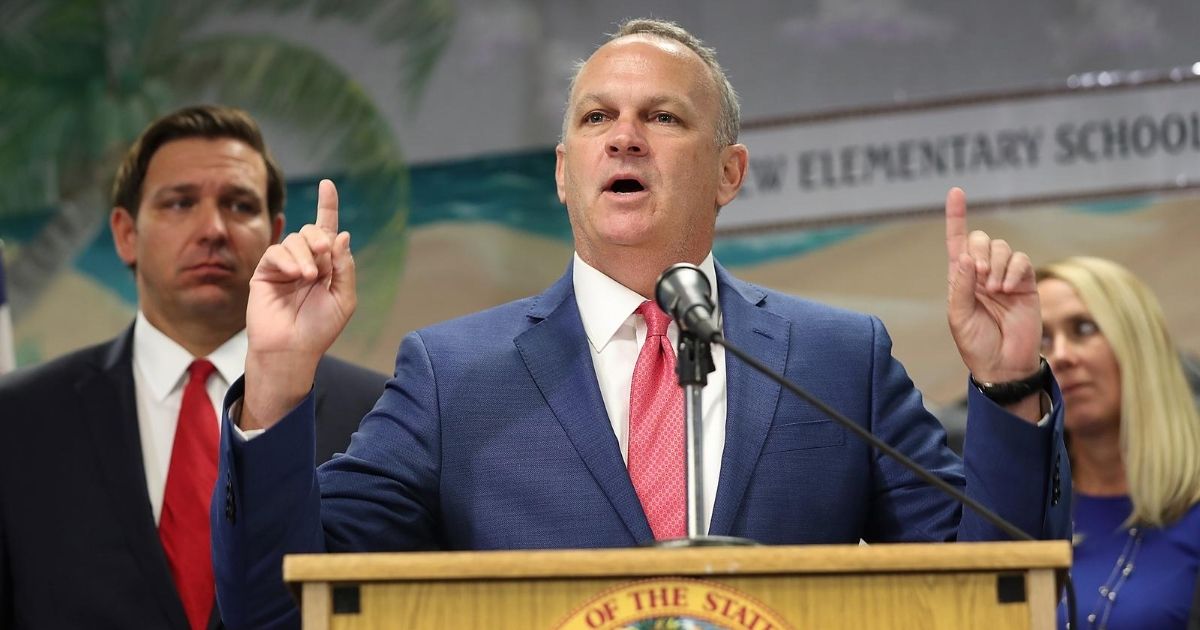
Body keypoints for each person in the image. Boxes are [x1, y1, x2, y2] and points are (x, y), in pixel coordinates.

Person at [212, 19, 1069, 629]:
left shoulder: (838, 356)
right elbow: (277, 606)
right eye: (596, 118)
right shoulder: (452, 375)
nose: (624, 138)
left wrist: (1009, 388)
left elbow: (994, 593)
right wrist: (280, 385)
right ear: (562, 172)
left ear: (729, 171)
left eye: (661, 117)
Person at [0, 105, 386, 630]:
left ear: (275, 232)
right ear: (125, 233)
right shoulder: (18, 419)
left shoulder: (378, 414)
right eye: (180, 203)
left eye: (238, 205)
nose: (212, 229)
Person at [1037, 257, 1200, 629]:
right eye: (1042, 339)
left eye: (1083, 328)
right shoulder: (1025, 513)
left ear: (1141, 346)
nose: (1060, 355)